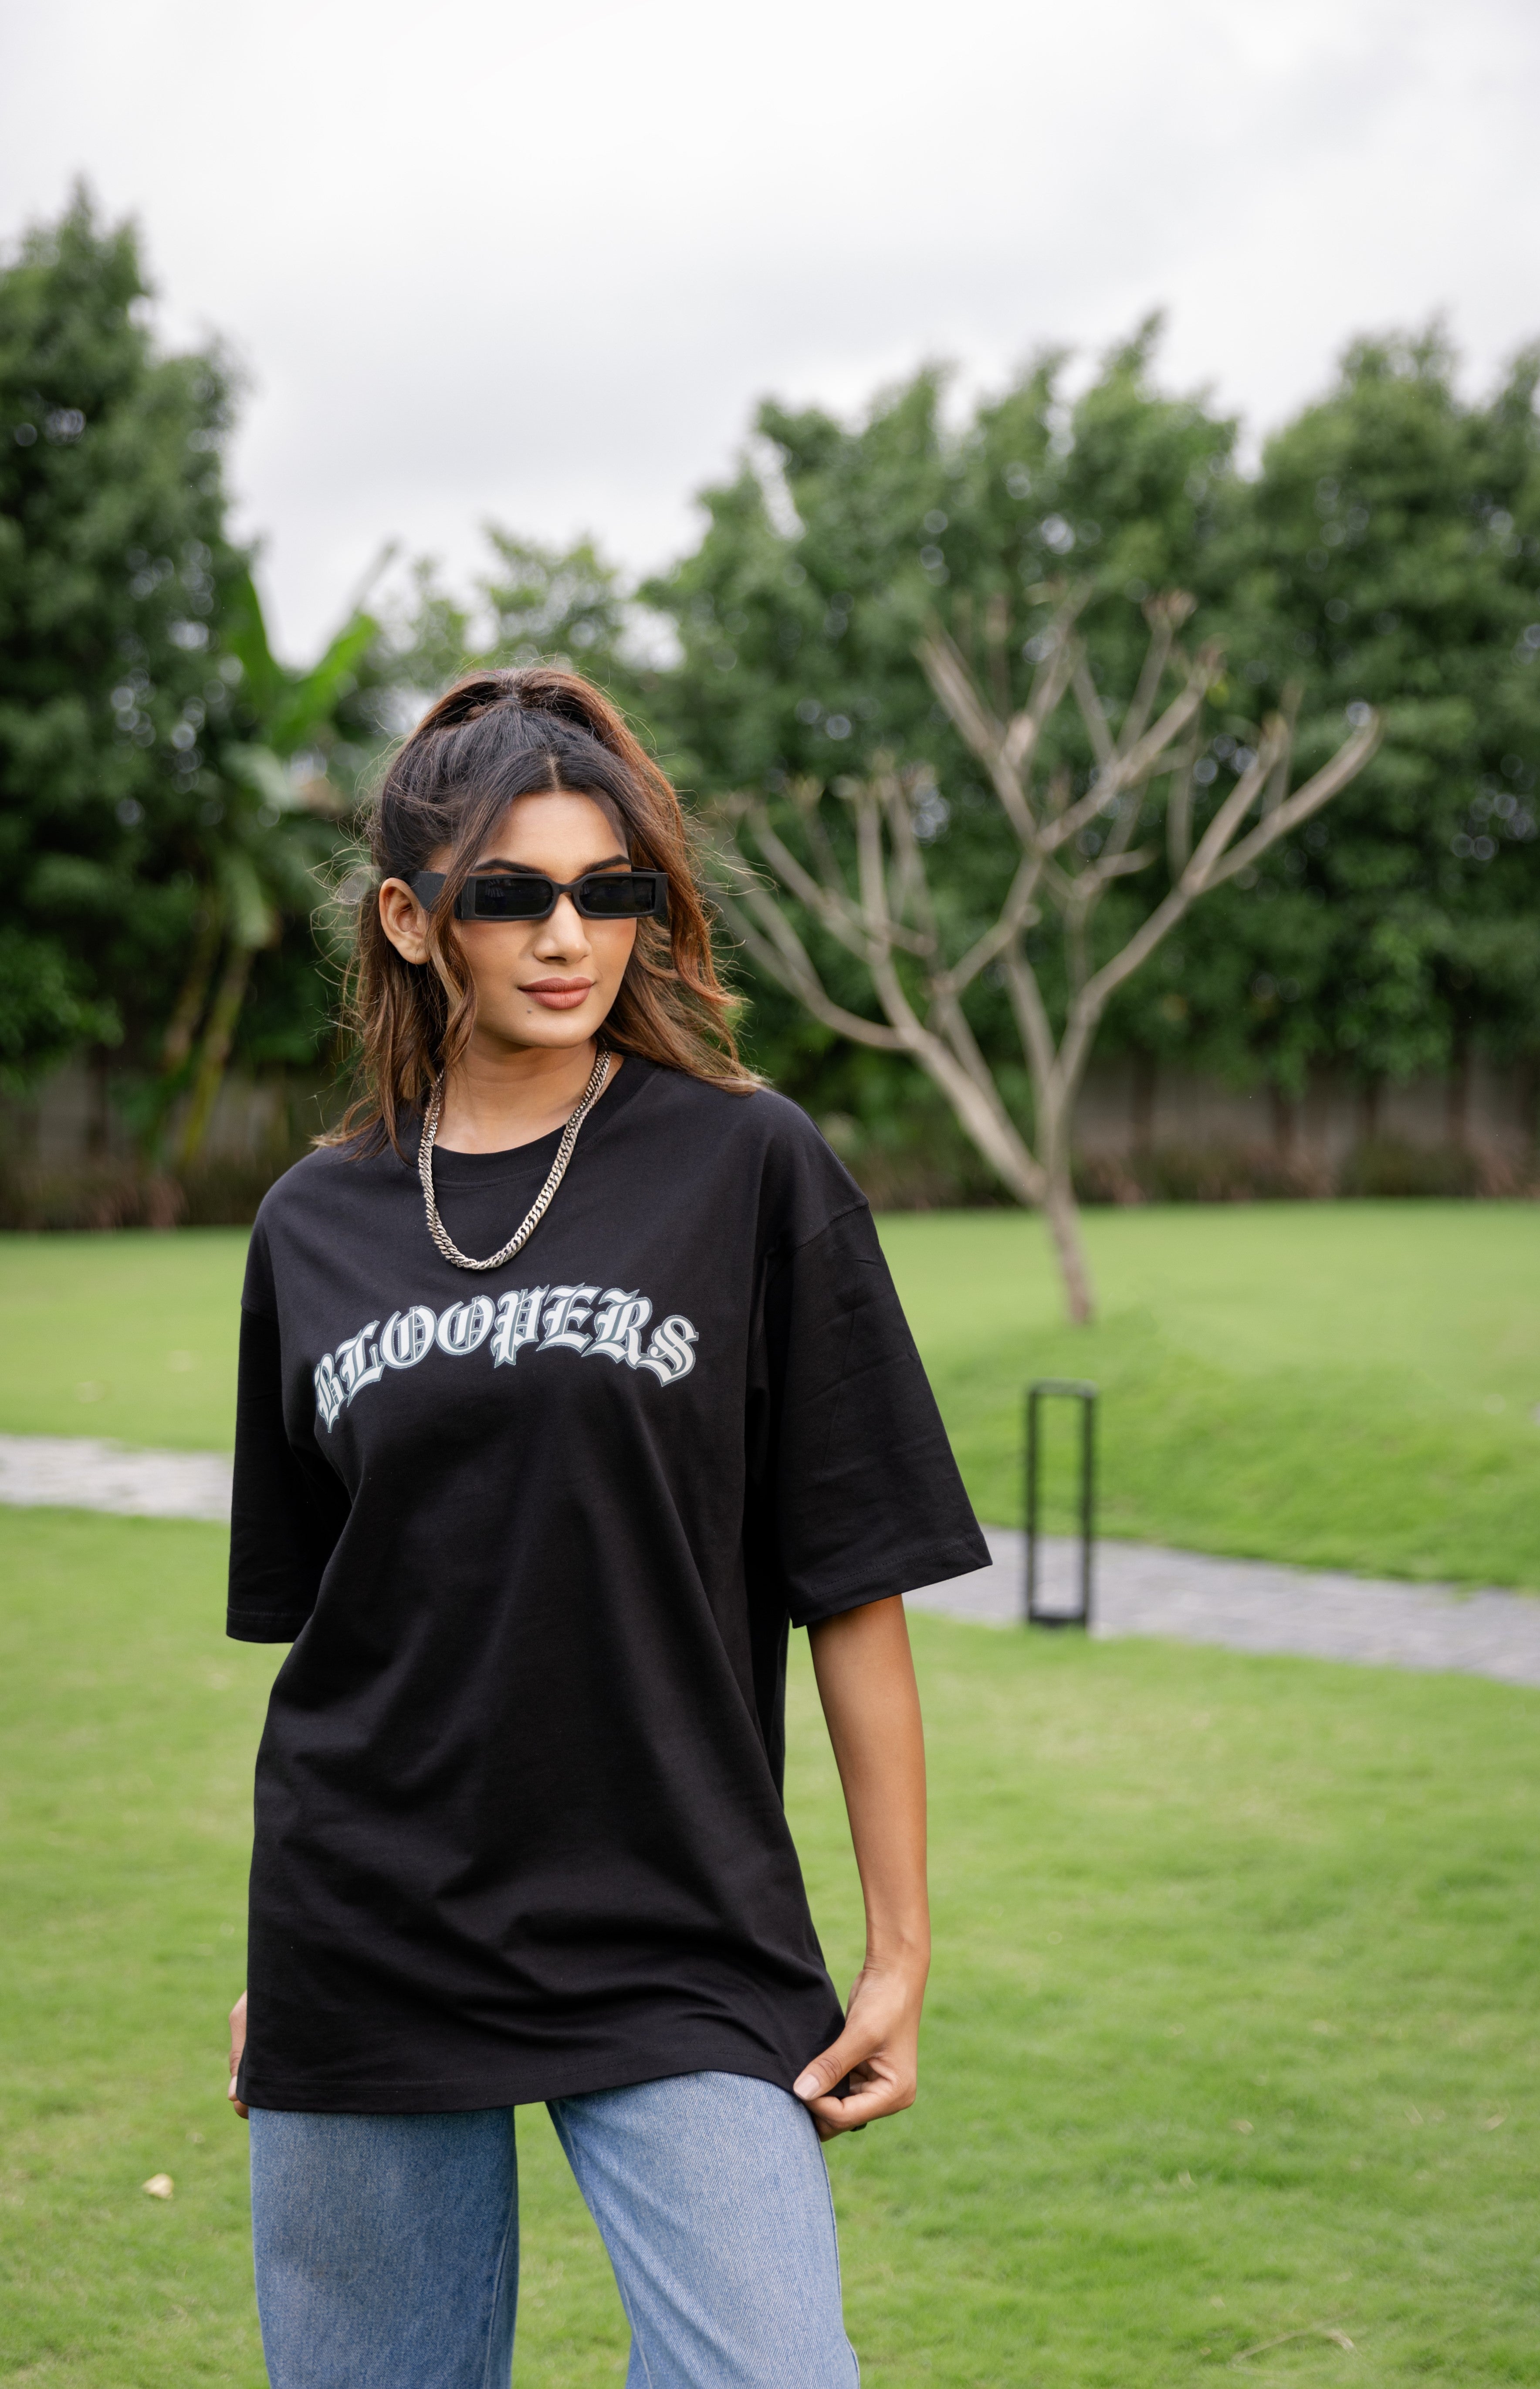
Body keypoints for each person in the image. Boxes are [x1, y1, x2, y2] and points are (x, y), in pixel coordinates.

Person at [223, 666, 989, 2389]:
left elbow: (849, 1578)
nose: (569, 935)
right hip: (368, 1936)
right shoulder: (311, 1227)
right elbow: (346, 1646)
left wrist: (898, 1948)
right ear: (419, 923)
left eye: (607, 891)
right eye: (514, 896)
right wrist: (281, 1968)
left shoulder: (747, 1168)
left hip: (677, 1929)